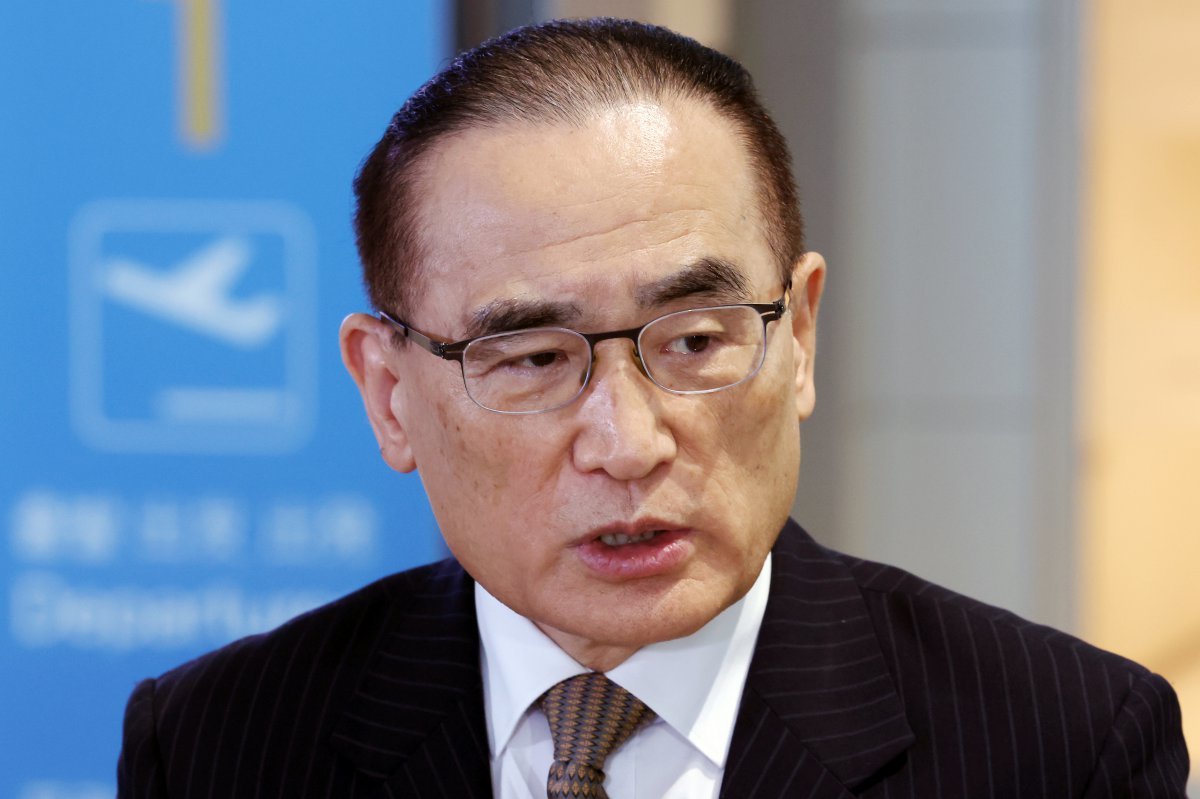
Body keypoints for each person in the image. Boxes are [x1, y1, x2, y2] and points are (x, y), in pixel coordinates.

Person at [117, 18, 1189, 798]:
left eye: (694, 341)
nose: (629, 443)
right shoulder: (219, 743)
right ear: (389, 392)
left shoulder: (1062, 743)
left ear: (800, 335)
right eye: (533, 358)